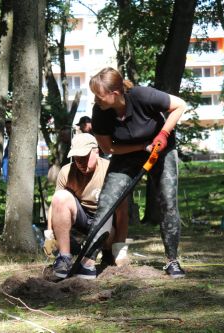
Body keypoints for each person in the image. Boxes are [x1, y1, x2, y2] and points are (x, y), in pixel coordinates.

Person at [83, 67, 188, 278]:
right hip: (127, 152)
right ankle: (87, 260)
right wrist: (141, 148)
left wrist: (164, 134)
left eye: (99, 95)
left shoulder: (142, 95)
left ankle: (172, 261)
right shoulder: (100, 112)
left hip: (161, 149)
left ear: (115, 94)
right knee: (108, 200)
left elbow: (180, 105)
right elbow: (108, 149)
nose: (96, 99)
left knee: (167, 201)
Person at [44, 133, 129, 279]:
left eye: (84, 158)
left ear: (96, 151)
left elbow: (122, 212)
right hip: (82, 220)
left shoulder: (111, 171)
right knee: (60, 197)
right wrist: (49, 233)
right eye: (77, 159)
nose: (80, 163)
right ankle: (64, 258)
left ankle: (100, 256)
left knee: (107, 210)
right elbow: (56, 204)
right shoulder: (67, 171)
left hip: (107, 225)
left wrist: (119, 247)